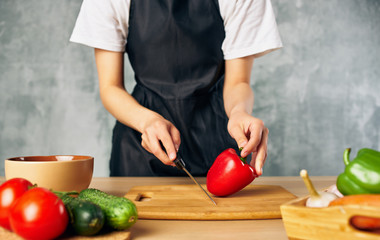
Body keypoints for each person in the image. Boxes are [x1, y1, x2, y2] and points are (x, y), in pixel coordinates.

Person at [70, 0, 282, 177]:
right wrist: (146, 121)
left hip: (218, 146)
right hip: (139, 147)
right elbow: (110, 88)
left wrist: (239, 113)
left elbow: (238, 82)